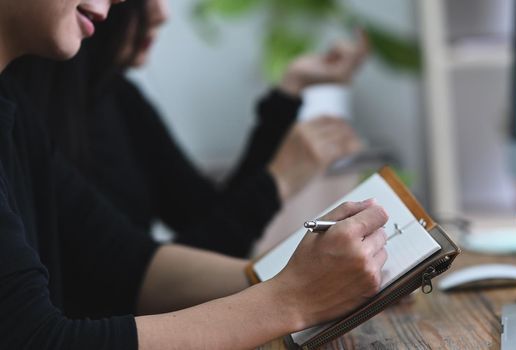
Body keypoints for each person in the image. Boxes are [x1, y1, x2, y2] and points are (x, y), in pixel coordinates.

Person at [0, 0, 389, 348]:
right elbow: (37, 338)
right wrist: (291, 297)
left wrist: (316, 276)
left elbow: (129, 263)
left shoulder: (17, 112)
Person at [8, 0, 367, 257]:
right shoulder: (24, 108)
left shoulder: (116, 95)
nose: (161, 13)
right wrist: (279, 181)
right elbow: (127, 286)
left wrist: (290, 89)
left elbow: (198, 221)